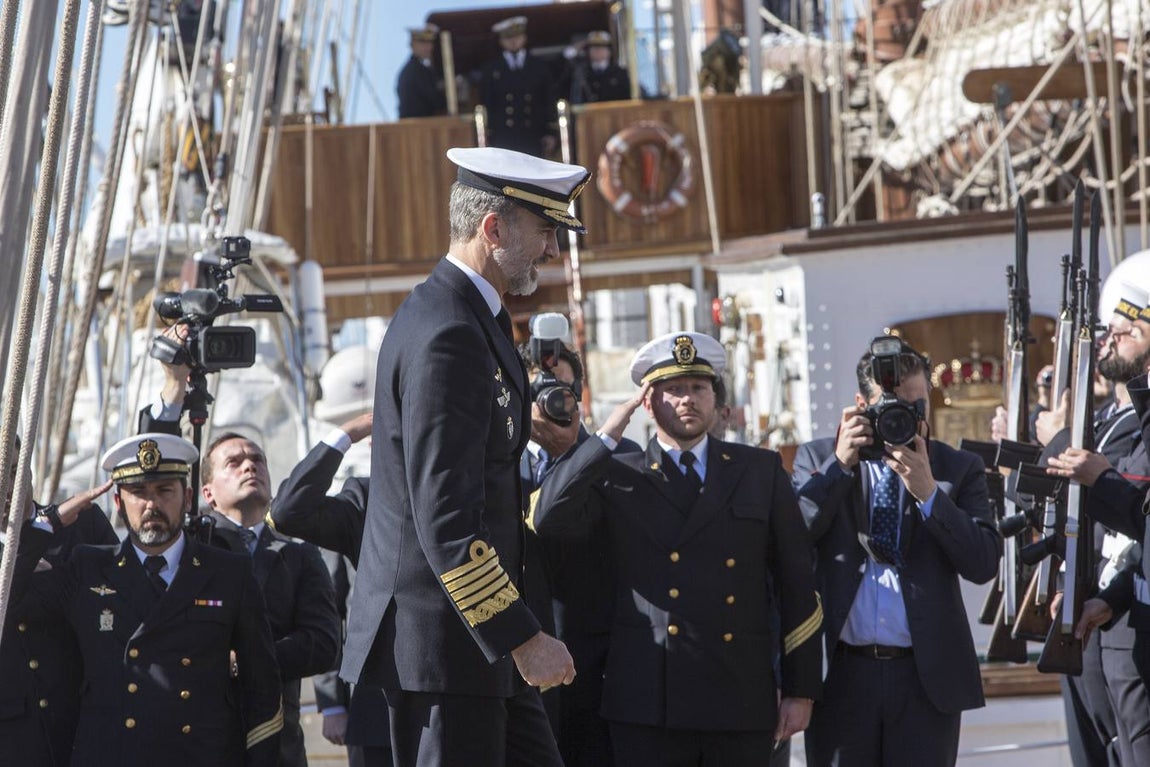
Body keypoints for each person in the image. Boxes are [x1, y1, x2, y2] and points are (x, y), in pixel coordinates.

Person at [340, 146, 590, 766]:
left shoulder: (470, 315)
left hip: (477, 642)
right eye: (544, 231)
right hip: (446, 646)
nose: (552, 250)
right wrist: (522, 637)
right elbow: (446, 516)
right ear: (493, 228)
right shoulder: (448, 330)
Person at [533, 331, 823, 766]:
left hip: (739, 697)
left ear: (715, 399)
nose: (687, 400)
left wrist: (800, 690)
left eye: (698, 388)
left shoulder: (759, 470)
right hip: (649, 702)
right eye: (672, 391)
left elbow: (797, 583)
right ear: (647, 404)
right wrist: (604, 438)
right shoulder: (617, 472)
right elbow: (547, 517)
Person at [10, 432, 283, 766]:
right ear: (118, 503)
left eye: (164, 491)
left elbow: (263, 687)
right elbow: (9, 598)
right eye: (138, 492)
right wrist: (46, 525)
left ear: (188, 497)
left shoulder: (228, 573)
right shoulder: (88, 568)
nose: (151, 504)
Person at [792, 337, 1000, 767]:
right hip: (843, 677)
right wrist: (840, 466)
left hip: (925, 680)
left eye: (916, 404)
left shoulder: (957, 469)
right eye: (892, 405)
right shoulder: (818, 458)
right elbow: (793, 539)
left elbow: (982, 563)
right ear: (861, 405)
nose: (906, 416)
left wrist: (928, 494)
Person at [139, 348, 342, 767]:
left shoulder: (299, 555)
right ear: (207, 493)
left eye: (257, 460)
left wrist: (248, 658)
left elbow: (323, 645)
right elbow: (152, 469)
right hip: (195, 739)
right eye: (234, 462)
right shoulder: (193, 546)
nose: (250, 466)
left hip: (274, 743)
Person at [1003, 284, 1150, 767]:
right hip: (1098, 602)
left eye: (1125, 330)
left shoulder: (1132, 423)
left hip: (1125, 615)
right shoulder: (1115, 416)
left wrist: (1060, 440)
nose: (1112, 340)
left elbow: (1127, 507)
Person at [520, 340, 640, 767]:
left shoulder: (616, 457)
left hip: (594, 667)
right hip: (519, 660)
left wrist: (575, 452)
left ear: (581, 396)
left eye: (563, 392)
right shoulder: (494, 462)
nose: (552, 402)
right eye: (540, 391)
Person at [269, 410, 391, 767]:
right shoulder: (365, 499)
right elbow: (331, 606)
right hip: (377, 703)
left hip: (456, 700)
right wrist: (348, 433)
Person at [0, 437, 118, 766]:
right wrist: (44, 527)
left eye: (14, 471)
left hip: (85, 727)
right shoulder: (55, 523)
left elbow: (125, 596)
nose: (8, 485)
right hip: (14, 745)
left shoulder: (83, 526)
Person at [480, 16, 557, 157]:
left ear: (524, 38)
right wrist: (488, 134)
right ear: (501, 41)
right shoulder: (491, 69)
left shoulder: (539, 66)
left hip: (533, 134)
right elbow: (487, 103)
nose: (513, 41)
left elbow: (548, 100)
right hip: (503, 137)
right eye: (508, 38)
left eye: (517, 36)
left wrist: (550, 132)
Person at [567, 31, 630, 105]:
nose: (597, 50)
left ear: (609, 51)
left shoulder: (620, 73)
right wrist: (574, 50)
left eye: (601, 47)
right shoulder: (581, 73)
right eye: (594, 48)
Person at [397, 23, 446, 119]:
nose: (429, 47)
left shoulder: (417, 68)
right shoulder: (415, 70)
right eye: (423, 43)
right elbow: (436, 100)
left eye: (430, 43)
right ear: (413, 45)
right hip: (417, 126)